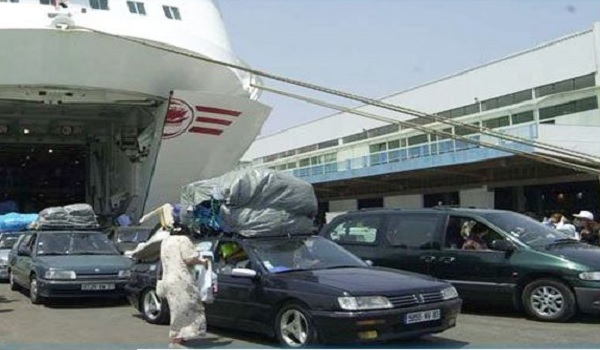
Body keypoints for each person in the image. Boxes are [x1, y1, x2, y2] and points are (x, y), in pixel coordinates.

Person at [160, 223, 210, 348]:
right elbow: (189, 259)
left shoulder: (165, 241)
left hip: (167, 279)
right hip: (181, 280)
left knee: (176, 309)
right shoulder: (183, 240)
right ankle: (176, 340)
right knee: (184, 309)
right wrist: (203, 261)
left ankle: (180, 338)